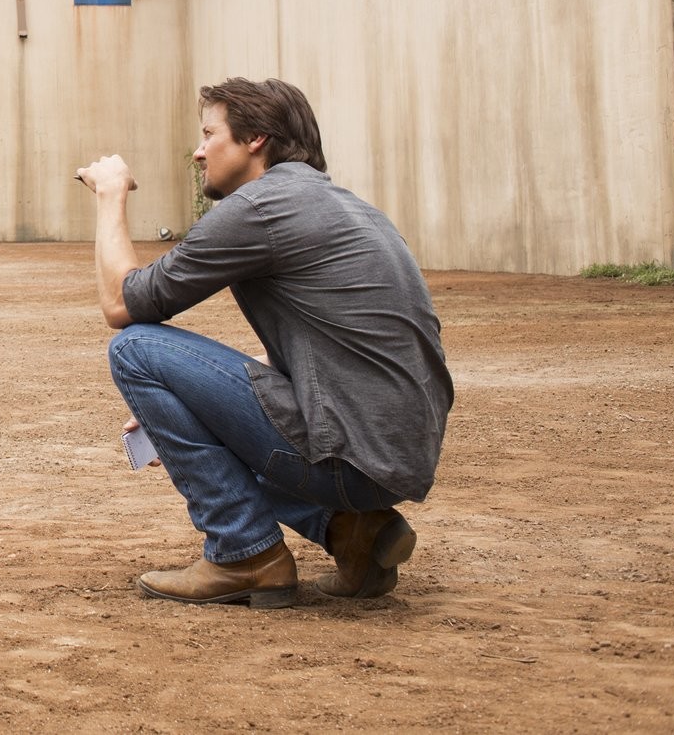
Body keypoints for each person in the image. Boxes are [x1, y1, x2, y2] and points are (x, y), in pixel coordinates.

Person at [74, 77, 453, 608]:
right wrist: (194, 405)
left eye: (210, 135)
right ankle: (354, 533)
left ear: (255, 140)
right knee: (181, 382)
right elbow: (336, 347)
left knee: (137, 349)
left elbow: (123, 304)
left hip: (351, 458)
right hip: (394, 454)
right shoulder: (349, 208)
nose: (199, 152)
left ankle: (244, 554)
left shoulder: (260, 207)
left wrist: (110, 196)